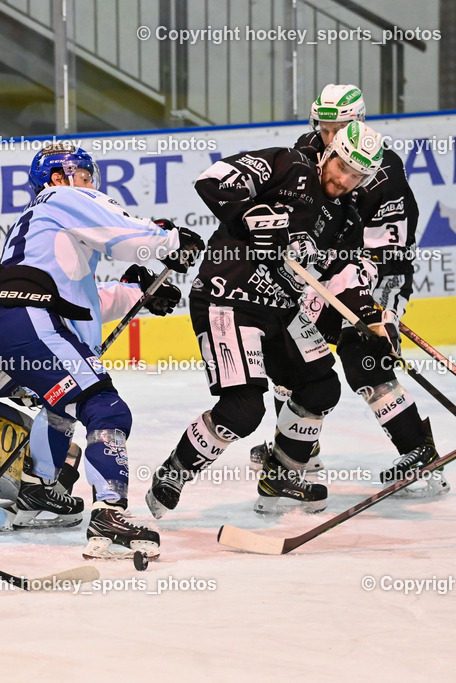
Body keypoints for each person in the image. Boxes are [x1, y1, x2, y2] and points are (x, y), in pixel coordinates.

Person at [145, 121, 412, 518]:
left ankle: (282, 473)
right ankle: (176, 470)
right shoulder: (290, 165)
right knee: (244, 409)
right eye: (341, 167)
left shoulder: (348, 220)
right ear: (331, 151)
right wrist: (251, 215)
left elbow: (341, 277)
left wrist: (371, 320)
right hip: (227, 296)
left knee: (321, 386)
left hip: (283, 311)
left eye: (356, 176)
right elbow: (212, 180)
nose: (344, 180)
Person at [0, 143, 203, 557]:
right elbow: (125, 236)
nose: (89, 181)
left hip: (7, 323)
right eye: (80, 173)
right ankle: (109, 517)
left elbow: (77, 297)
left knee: (62, 405)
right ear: (56, 178)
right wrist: (170, 240)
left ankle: (39, 490)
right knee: (106, 408)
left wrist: (138, 293)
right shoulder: (62, 197)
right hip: (28, 319)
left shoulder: (42, 226)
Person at [248, 84, 444, 494]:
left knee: (365, 357)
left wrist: (383, 313)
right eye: (324, 126)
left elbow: (390, 251)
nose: (328, 136)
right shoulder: (306, 148)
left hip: (369, 271)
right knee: (293, 356)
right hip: (317, 274)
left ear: (357, 124)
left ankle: (419, 454)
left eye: (338, 127)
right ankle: (299, 452)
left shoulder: (384, 172)